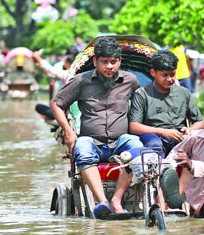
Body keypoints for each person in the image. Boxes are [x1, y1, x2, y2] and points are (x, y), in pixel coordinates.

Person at [50, 37, 142, 216]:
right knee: (82, 148)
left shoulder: (130, 80)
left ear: (119, 62)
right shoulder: (81, 81)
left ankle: (116, 200)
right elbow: (56, 103)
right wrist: (69, 132)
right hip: (92, 142)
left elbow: (141, 106)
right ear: (95, 61)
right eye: (104, 62)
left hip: (120, 142)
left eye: (113, 62)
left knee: (137, 146)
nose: (109, 67)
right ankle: (103, 202)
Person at [128, 50, 204, 157]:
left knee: (196, 145)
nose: (169, 79)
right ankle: (158, 172)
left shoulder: (184, 93)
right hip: (153, 137)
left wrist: (190, 130)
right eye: (164, 75)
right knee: (154, 144)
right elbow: (134, 126)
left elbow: (199, 122)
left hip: (178, 136)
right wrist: (163, 132)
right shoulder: (142, 94)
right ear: (153, 73)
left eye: (172, 74)